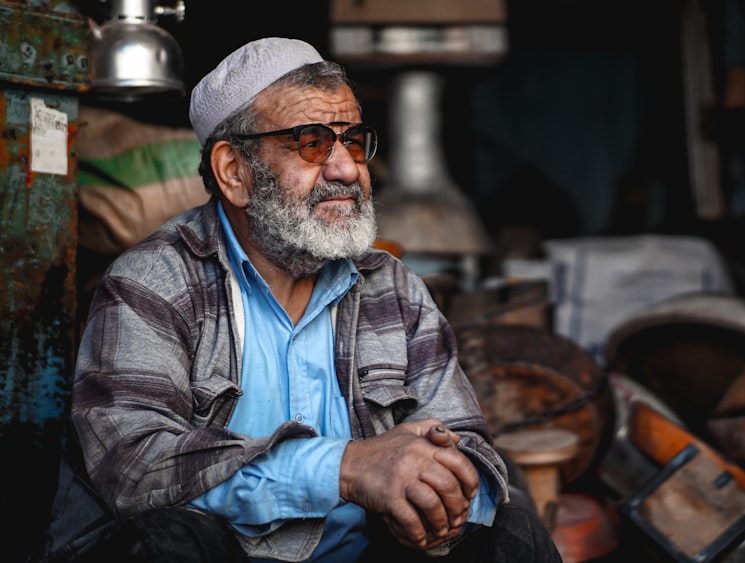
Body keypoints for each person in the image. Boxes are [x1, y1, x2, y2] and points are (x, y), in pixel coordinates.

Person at [32, 37, 562, 563]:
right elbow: (134, 466)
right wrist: (346, 467)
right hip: (226, 556)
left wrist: (438, 500)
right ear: (234, 173)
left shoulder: (393, 288)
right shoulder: (153, 282)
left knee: (511, 536)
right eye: (311, 143)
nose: (346, 169)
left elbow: (468, 442)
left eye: (353, 141)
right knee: (169, 544)